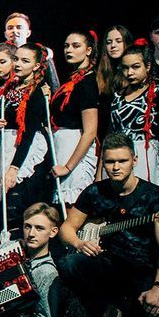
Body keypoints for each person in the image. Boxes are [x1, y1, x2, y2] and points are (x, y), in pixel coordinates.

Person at [59, 133, 159, 317]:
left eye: (122, 161)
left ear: (134, 160)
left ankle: (136, 315)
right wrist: (79, 243)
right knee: (70, 263)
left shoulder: (156, 197)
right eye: (110, 162)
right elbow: (66, 228)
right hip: (108, 266)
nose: (115, 167)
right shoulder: (94, 192)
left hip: (143, 270)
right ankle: (106, 311)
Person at [0, 43, 52, 241]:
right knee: (4, 206)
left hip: (24, 150)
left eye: (25, 61)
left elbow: (28, 133)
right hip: (6, 147)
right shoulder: (9, 88)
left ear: (36, 65)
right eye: (16, 59)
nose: (17, 64)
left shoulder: (37, 92)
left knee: (18, 205)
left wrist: (14, 168)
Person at [109, 46, 159, 191]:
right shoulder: (117, 97)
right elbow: (111, 134)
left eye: (135, 67)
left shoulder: (158, 92)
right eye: (125, 68)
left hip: (148, 155)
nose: (129, 72)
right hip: (120, 155)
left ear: (147, 66)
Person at [49, 31, 100, 207]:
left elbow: (90, 131)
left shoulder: (87, 82)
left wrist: (68, 166)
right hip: (62, 146)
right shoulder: (74, 79)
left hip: (75, 148)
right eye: (66, 46)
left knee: (74, 206)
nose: (69, 50)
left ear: (88, 50)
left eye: (76, 46)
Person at [3, 13, 61, 90]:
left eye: (19, 27)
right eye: (10, 28)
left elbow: (53, 84)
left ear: (28, 33)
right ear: (5, 34)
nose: (14, 30)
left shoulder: (41, 54)